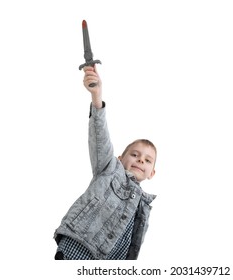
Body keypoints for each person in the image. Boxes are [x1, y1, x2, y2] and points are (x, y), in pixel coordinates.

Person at [53, 65, 157, 260]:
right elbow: (100, 138)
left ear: (152, 173)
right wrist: (97, 98)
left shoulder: (144, 204)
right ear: (120, 159)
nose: (141, 160)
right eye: (134, 155)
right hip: (80, 247)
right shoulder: (110, 169)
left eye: (147, 160)